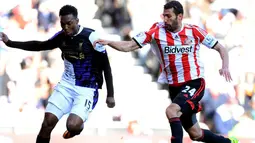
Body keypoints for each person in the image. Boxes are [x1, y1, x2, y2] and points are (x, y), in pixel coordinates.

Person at [94, 1, 239, 143]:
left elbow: (221, 48)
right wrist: (109, 42)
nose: (165, 19)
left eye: (169, 16)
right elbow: (129, 46)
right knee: (196, 134)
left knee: (171, 111)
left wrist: (225, 66)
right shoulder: (156, 32)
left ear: (180, 16)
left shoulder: (193, 31)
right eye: (164, 16)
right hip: (174, 87)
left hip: (194, 82)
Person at [0, 5, 115, 143]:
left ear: (77, 21)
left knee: (72, 125)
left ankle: (77, 128)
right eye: (62, 24)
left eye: (69, 24)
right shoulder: (61, 37)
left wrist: (110, 95)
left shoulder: (92, 37)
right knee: (47, 123)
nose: (66, 28)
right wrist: (10, 43)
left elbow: (106, 67)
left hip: (87, 88)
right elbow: (40, 45)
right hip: (66, 85)